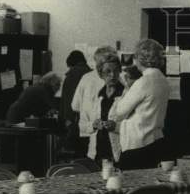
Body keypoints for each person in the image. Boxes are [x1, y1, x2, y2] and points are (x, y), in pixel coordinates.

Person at [106, 39, 170, 170]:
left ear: (141, 59)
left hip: (138, 143)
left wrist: (126, 88)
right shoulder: (163, 80)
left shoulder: (143, 82)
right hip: (155, 140)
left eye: (135, 57)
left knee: (129, 187)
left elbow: (119, 112)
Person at [71, 46, 112, 160]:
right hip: (108, 132)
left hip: (89, 130)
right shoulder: (118, 78)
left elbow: (75, 106)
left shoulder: (86, 78)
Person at [86, 56, 124, 166]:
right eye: (108, 71)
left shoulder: (126, 94)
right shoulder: (97, 94)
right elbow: (85, 124)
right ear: (101, 74)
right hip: (97, 152)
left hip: (117, 152)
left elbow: (134, 125)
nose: (112, 75)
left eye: (116, 71)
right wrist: (93, 124)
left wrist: (115, 126)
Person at [59, 50, 92, 157]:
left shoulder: (71, 75)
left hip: (75, 117)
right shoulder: (91, 73)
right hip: (89, 118)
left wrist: (66, 118)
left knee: (74, 151)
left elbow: (67, 98)